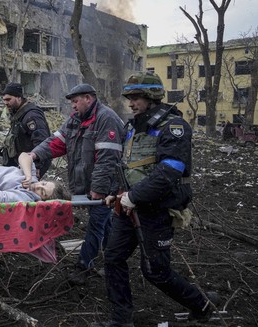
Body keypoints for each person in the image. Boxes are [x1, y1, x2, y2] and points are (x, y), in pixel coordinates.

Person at [93, 71, 220, 326]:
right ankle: (121, 320)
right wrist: (114, 193)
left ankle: (201, 304)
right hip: (128, 209)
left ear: (152, 97)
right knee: (113, 258)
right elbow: (128, 167)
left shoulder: (174, 127)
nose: (131, 103)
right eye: (129, 98)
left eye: (136, 97)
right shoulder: (132, 128)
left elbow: (169, 171)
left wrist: (134, 196)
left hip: (156, 210)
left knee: (155, 271)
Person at [27, 83, 124, 285]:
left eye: (76, 101)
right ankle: (114, 260)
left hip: (105, 186)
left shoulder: (106, 119)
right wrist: (34, 154)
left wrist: (98, 189)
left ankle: (83, 266)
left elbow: (107, 159)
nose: (72, 105)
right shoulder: (75, 121)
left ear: (88, 98)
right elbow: (56, 142)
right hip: (86, 185)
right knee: (105, 224)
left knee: (96, 224)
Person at [0, 82, 52, 178]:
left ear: (19, 97)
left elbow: (41, 141)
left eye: (8, 99)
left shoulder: (32, 116)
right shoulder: (18, 114)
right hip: (20, 163)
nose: (5, 103)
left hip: (31, 164)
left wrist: (37, 166)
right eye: (4, 100)